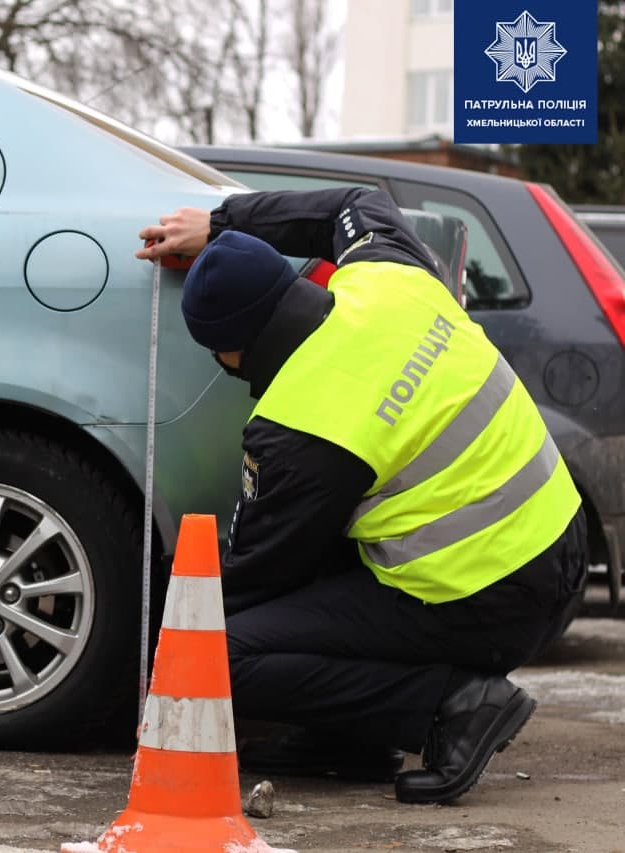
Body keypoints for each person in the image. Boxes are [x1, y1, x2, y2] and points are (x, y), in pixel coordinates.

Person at [138, 187, 587, 805]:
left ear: (233, 352)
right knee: (327, 555)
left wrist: (147, 666)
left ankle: (453, 706)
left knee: (220, 653)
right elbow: (350, 202)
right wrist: (220, 223)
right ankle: (351, 739)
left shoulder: (300, 426)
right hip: (560, 534)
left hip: (494, 594)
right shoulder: (389, 275)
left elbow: (254, 580)